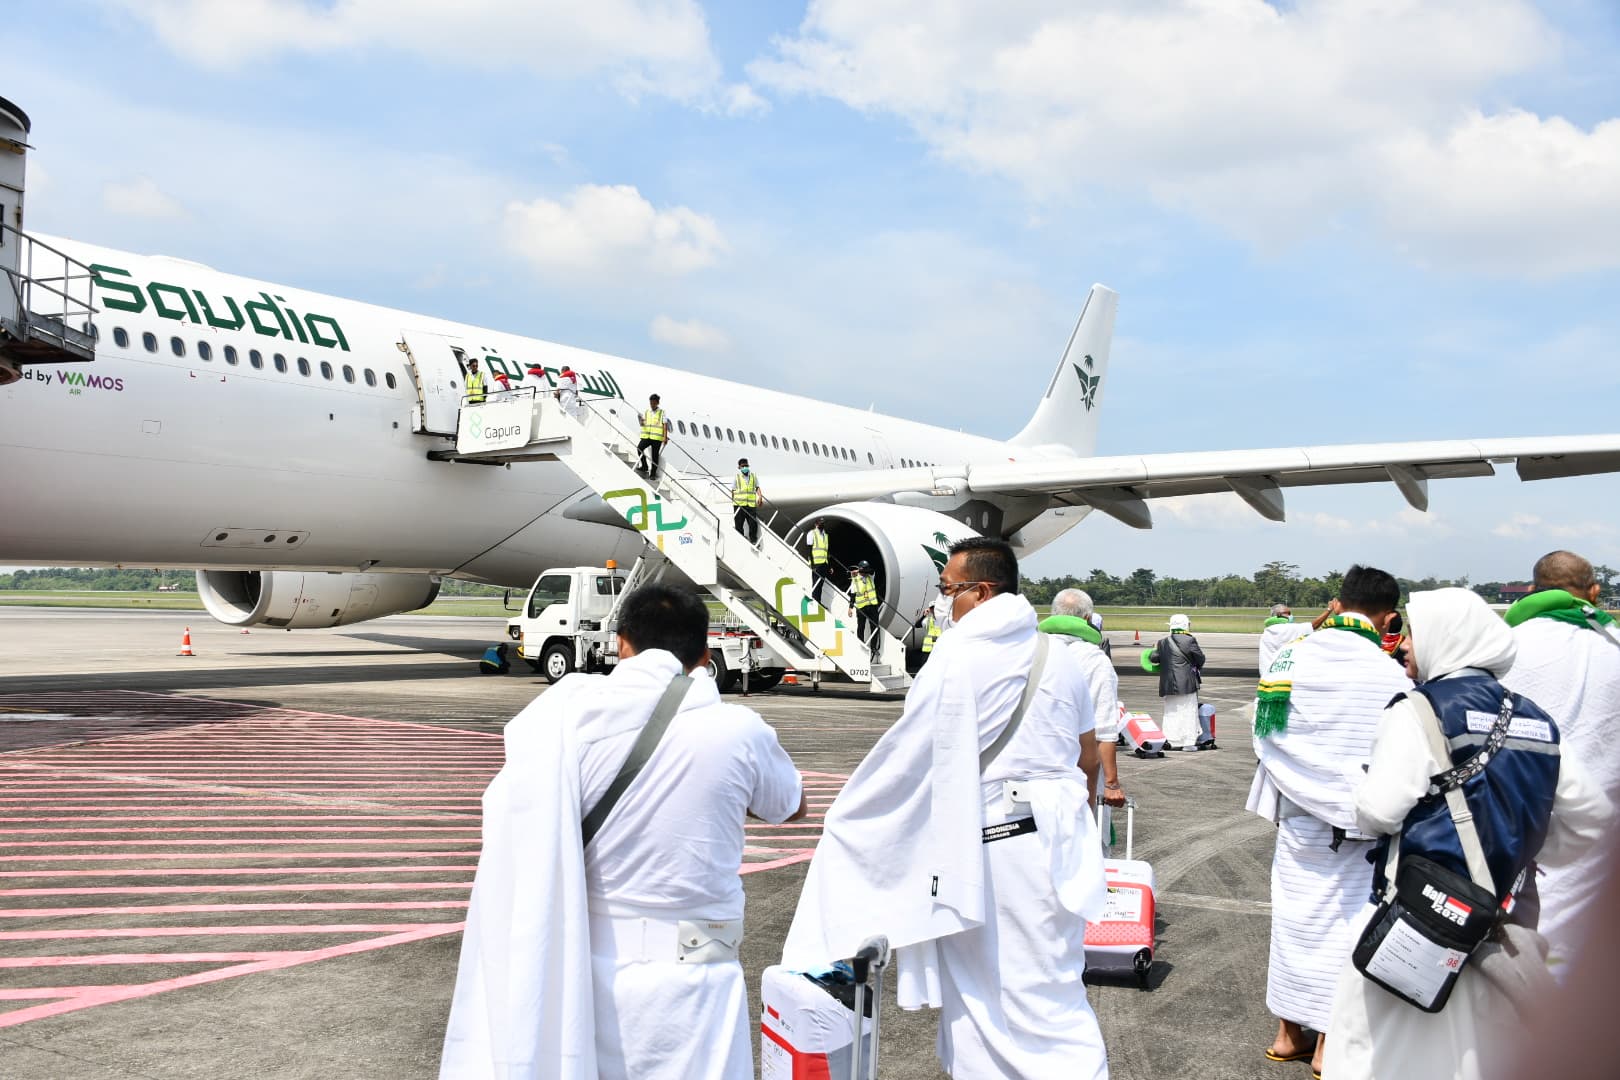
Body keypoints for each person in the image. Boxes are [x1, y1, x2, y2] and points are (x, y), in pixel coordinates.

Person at [439, 584, 807, 1080]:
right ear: (703, 653)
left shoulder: (567, 723)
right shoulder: (739, 730)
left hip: (586, 973)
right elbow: (791, 807)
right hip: (699, 978)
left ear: (622, 644)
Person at [783, 537, 1109, 1080]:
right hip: (1064, 835)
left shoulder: (960, 655)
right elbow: (1087, 757)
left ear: (981, 592)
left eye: (948, 590)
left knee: (992, 991)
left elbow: (913, 757)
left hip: (1001, 842)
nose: (943, 602)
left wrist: (853, 819)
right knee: (1052, 982)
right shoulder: (1062, 656)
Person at [1320, 588, 1613, 1080]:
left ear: (1446, 639)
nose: (1405, 644)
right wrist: (1526, 847)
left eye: (1414, 632)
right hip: (1499, 932)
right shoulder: (1536, 720)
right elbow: (1592, 819)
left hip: (1421, 929)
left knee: (1380, 1057)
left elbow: (1378, 812)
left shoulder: (1417, 710)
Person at [1247, 565, 1413, 1077]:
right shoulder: (1387, 672)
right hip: (1361, 825)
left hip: (1298, 818)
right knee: (1348, 933)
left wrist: (1309, 785)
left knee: (1295, 926)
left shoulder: (1291, 655)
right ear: (1388, 618)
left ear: (1338, 604)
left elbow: (1267, 736)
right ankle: (1328, 1044)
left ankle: (1287, 1034)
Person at [1501, 550, 1620, 979]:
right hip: (1598, 823)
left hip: (1516, 818)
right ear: (1593, 591)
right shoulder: (1613, 643)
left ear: (1532, 589)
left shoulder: (1505, 644)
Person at [1041, 588, 1126, 809]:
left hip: (1030, 769)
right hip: (1076, 771)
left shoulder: (1025, 650)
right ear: (1087, 619)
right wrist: (1112, 784)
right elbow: (1104, 729)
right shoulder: (1094, 659)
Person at [1146, 613, 1206, 749]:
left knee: (1171, 712)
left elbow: (1154, 658)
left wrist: (1154, 649)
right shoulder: (1190, 640)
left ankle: (1171, 740)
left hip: (1168, 684)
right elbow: (1200, 659)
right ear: (1185, 625)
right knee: (1188, 711)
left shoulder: (1162, 642)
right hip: (1186, 684)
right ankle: (1188, 743)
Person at [1260, 603, 1309, 675]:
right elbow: (1313, 625)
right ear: (1279, 614)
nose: (1290, 615)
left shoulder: (1267, 631)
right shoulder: (1286, 628)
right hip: (1280, 676)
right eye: (1288, 613)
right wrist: (1329, 610)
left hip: (1267, 676)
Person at [849, 561, 881, 651]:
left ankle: (873, 647)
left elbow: (872, 571)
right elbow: (853, 594)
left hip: (872, 605)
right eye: (864, 569)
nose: (866, 572)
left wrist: (859, 571)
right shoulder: (855, 579)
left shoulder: (871, 576)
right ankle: (861, 645)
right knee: (861, 627)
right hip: (861, 607)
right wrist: (850, 608)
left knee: (874, 627)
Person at [637, 393, 668, 480]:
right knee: (639, 448)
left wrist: (665, 437)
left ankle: (653, 474)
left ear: (657, 403)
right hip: (647, 436)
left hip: (656, 438)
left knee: (655, 456)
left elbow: (665, 425)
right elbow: (643, 422)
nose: (652, 405)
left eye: (654, 403)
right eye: (651, 403)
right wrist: (642, 422)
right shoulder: (647, 411)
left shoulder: (662, 412)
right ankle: (644, 465)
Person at [730, 458, 760, 544]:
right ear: (739, 467)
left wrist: (760, 497)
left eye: (746, 466)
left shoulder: (753, 476)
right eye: (743, 466)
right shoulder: (737, 477)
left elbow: (757, 487)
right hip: (739, 504)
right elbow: (733, 490)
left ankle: (753, 540)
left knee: (753, 523)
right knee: (739, 524)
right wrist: (733, 502)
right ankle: (741, 540)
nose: (745, 467)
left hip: (750, 504)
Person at [805, 518, 831, 606]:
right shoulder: (812, 533)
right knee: (816, 582)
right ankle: (814, 600)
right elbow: (809, 549)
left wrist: (829, 565)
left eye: (823, 523)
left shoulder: (825, 535)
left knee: (821, 584)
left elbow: (826, 551)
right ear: (816, 524)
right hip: (816, 563)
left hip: (824, 562)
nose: (822, 524)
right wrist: (812, 564)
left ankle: (818, 601)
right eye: (820, 523)